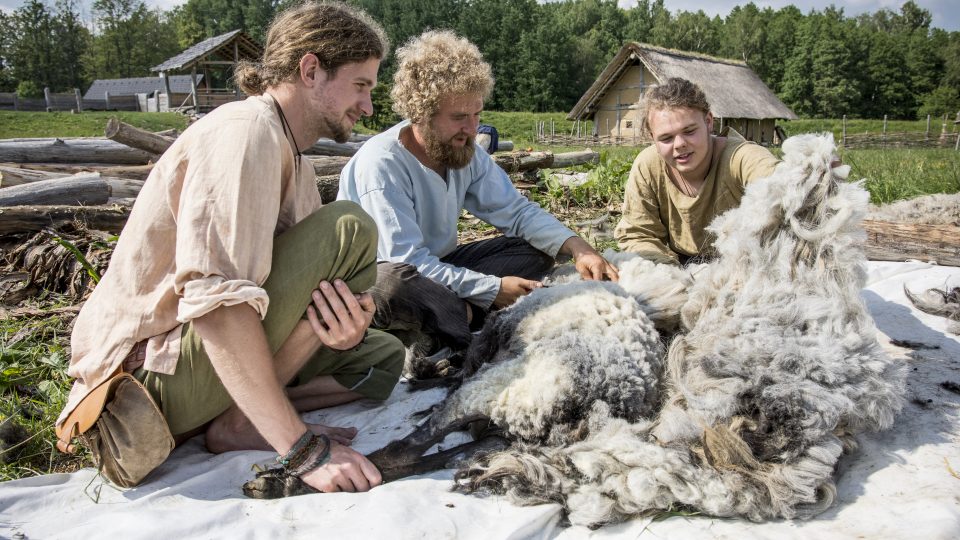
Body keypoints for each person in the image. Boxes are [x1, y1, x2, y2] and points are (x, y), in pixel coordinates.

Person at [56, 1, 403, 494]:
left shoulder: (293, 160)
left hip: (198, 371)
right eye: (361, 85)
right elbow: (215, 304)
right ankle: (245, 422)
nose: (368, 106)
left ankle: (242, 415)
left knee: (383, 357)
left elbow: (301, 294)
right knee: (348, 228)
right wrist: (299, 448)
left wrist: (337, 329)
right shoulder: (245, 132)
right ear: (310, 70)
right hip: (142, 387)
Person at [338, 30, 618, 353]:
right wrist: (493, 289)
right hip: (384, 282)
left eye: (476, 115)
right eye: (459, 117)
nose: (472, 130)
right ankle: (466, 316)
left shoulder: (465, 150)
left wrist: (577, 246)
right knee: (391, 285)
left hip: (438, 270)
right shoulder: (382, 164)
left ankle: (443, 320)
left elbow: (517, 211)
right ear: (421, 114)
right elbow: (406, 262)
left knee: (537, 250)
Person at [614, 77, 781, 265]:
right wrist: (667, 273)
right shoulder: (648, 166)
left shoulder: (741, 158)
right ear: (653, 137)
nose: (680, 144)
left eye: (689, 131)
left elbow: (784, 186)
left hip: (746, 263)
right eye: (666, 138)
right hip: (681, 265)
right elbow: (638, 234)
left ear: (708, 122)